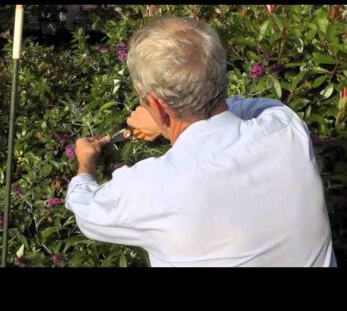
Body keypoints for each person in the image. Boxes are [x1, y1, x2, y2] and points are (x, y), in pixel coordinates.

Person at [65, 17, 336, 267]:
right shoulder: (285, 129)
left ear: (157, 107)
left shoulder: (151, 189)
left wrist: (86, 162)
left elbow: (85, 207)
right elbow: (256, 107)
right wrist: (168, 119)